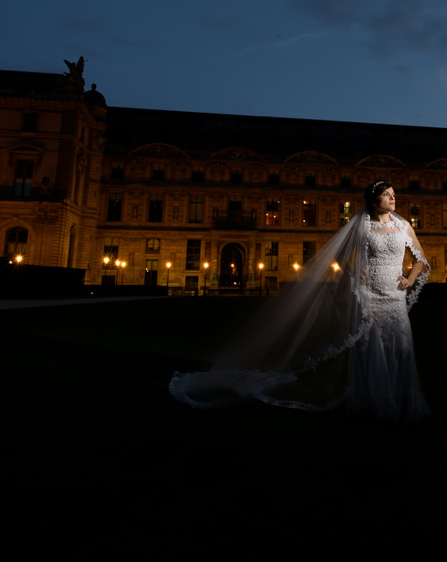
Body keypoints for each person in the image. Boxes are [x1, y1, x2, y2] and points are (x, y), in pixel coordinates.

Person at [169, 180, 431, 423]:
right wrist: (355, 270)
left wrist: (409, 278)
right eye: (387, 194)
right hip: (370, 293)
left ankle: (402, 400)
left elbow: (421, 259)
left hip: (394, 295)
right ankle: (374, 402)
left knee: (400, 346)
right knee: (370, 348)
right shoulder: (362, 224)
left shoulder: (404, 225)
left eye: (394, 194)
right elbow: (340, 255)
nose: (393, 198)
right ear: (375, 199)